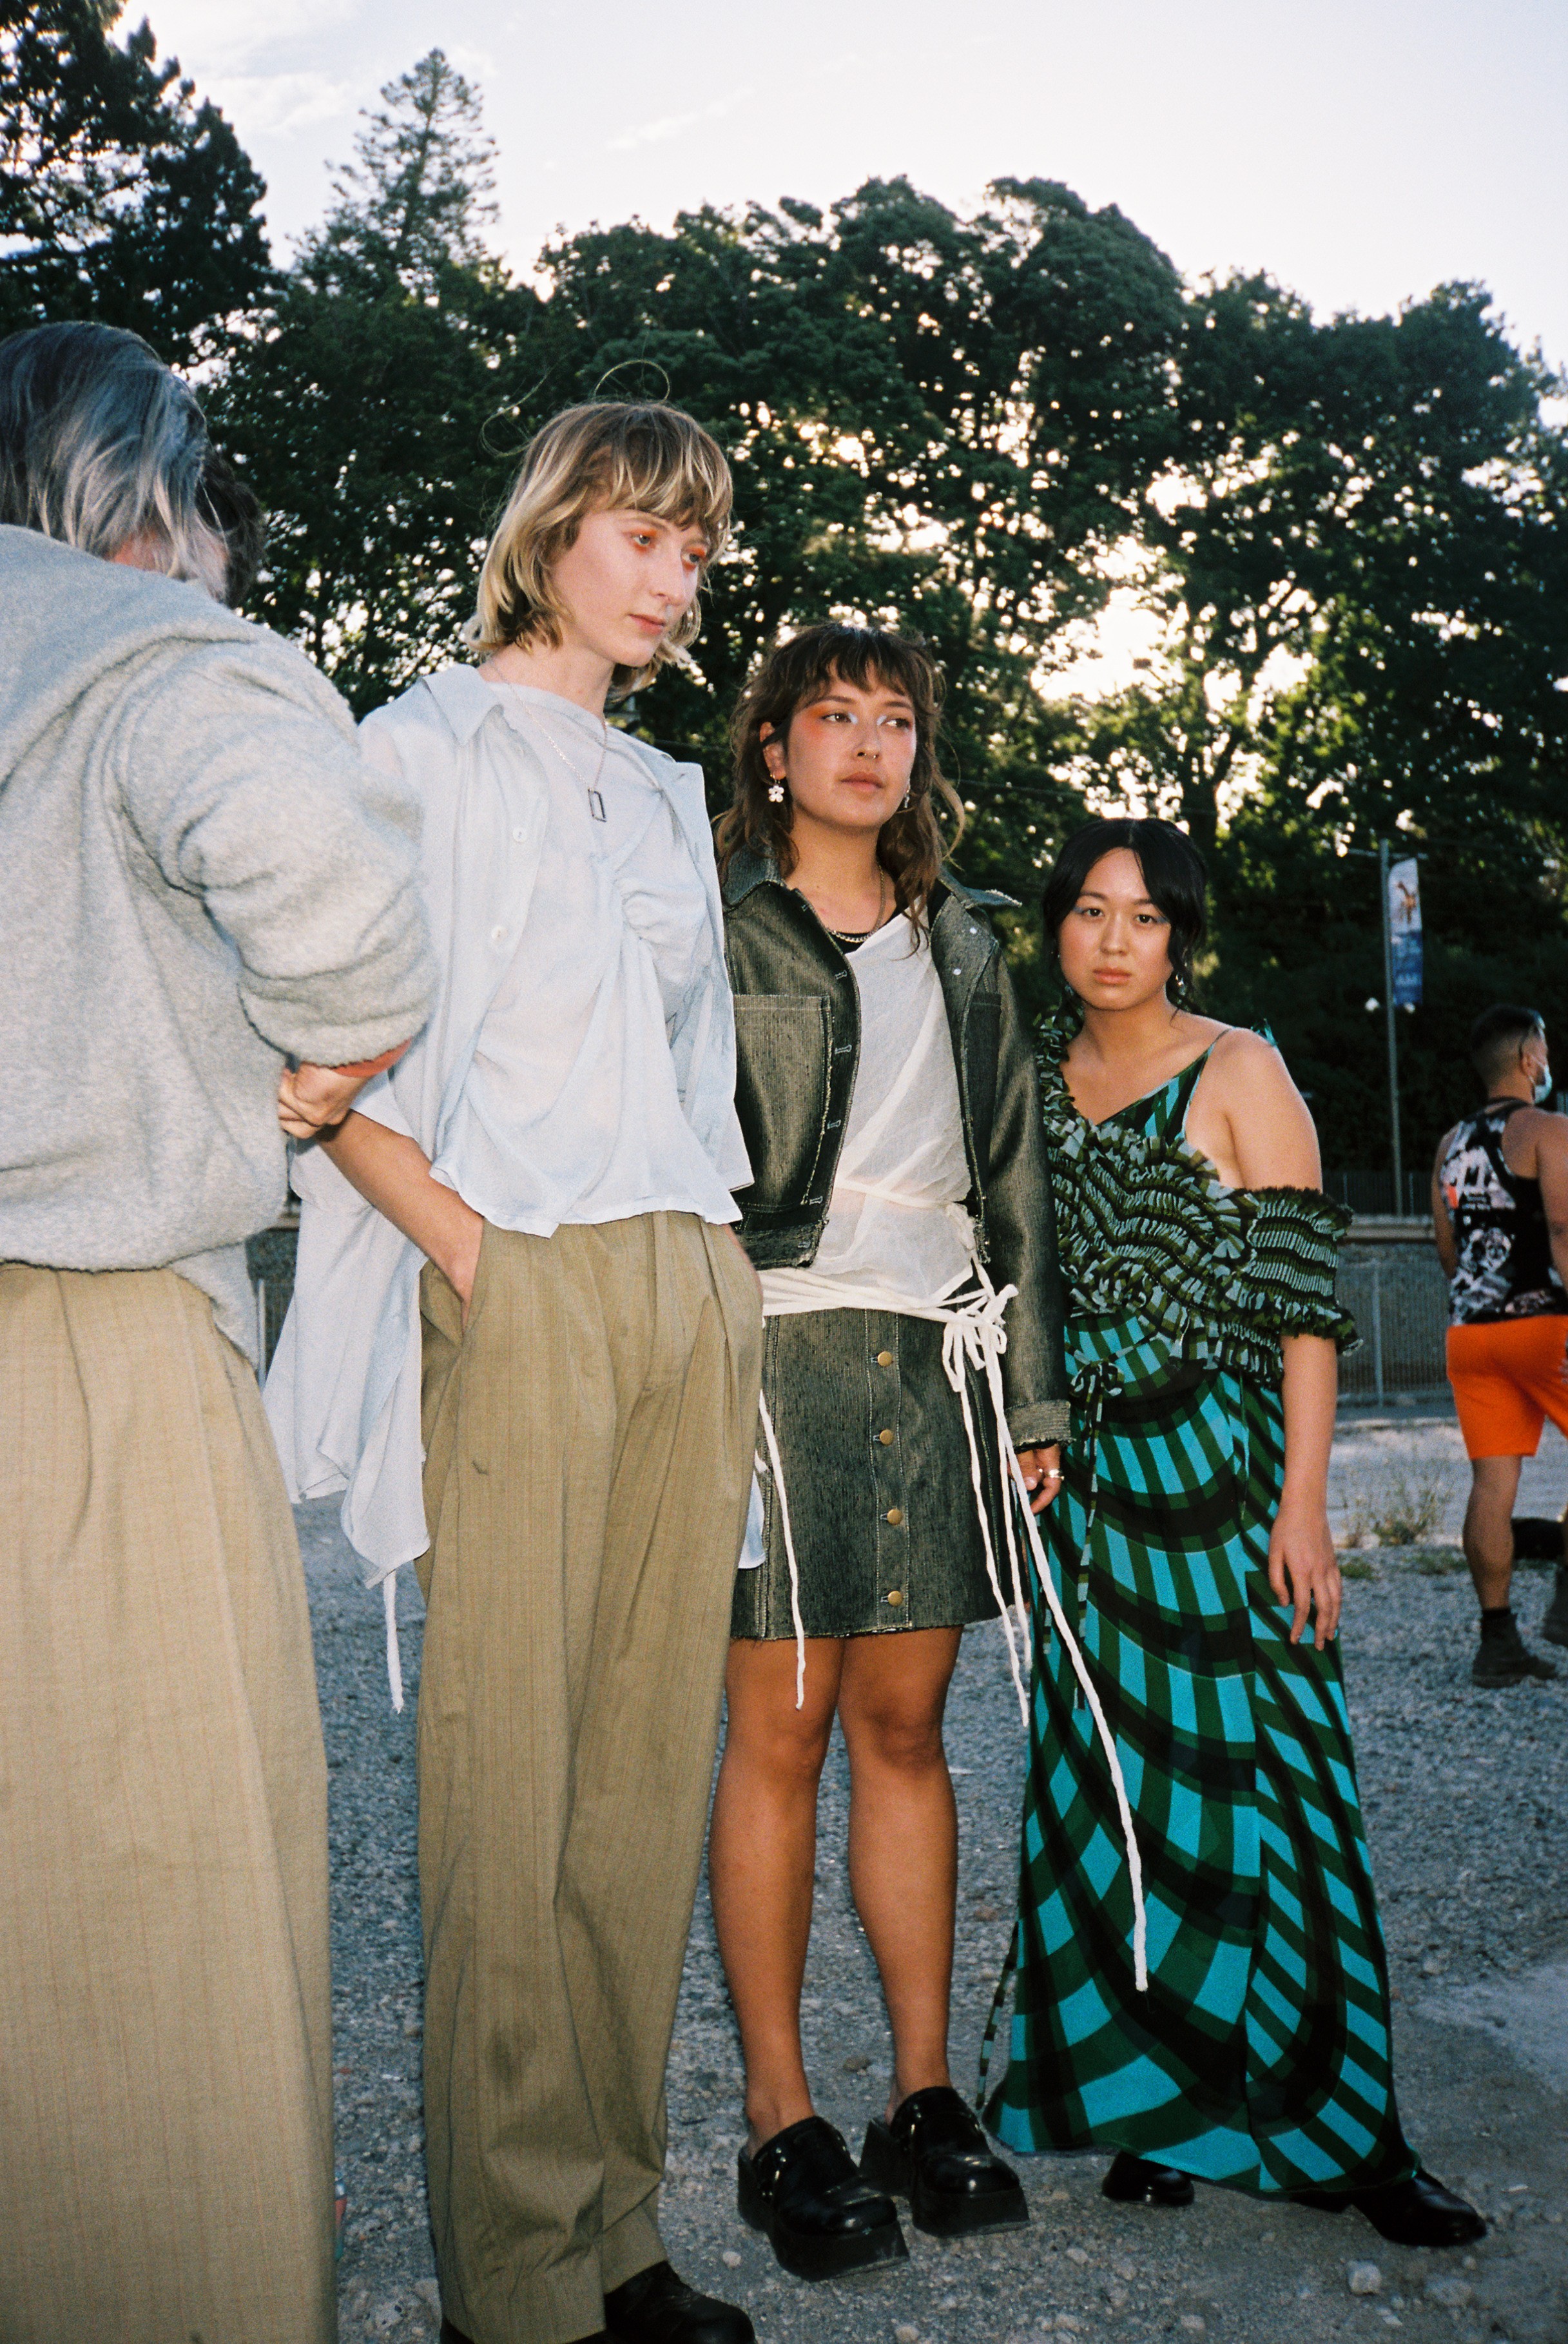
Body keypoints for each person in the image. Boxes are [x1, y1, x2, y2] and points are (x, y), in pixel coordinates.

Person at [266, 402, 763, 2344]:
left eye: (698, 553)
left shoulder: (653, 791)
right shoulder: (415, 747)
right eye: (643, 534)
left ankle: (617, 2229)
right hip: (520, 1275)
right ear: (552, 529)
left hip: (681, 1273)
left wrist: (714, 1258)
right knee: (508, 1792)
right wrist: (462, 1242)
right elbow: (303, 1045)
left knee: (643, 1785)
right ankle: (514, 2280)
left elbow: (687, 1062)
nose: (671, 578)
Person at [0, 320, 436, 2343]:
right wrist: (320, 1055)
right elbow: (343, 907)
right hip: (87, 1358)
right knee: (156, 1938)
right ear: (141, 488)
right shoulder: (148, 648)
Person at [985, 817, 1486, 2252]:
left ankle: (1349, 2134)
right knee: (1111, 1788)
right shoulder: (1030, 1076)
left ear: (1179, 934)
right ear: (1056, 927)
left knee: (1274, 1783)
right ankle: (1151, 2104)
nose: (1111, 941)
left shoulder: (1240, 1065)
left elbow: (1303, 1309)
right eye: (1085, 913)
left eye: (1140, 918)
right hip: (1088, 1490)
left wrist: (1304, 1506)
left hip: (1228, 1468)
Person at [705, 624, 1070, 2280]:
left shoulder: (969, 944)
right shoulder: (708, 926)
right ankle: (782, 2116)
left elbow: (1016, 1184)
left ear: (920, 751)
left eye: (895, 719)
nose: (866, 743)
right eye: (832, 716)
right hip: (768, 1348)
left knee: (905, 1723)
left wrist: (1035, 1398)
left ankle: (924, 2095)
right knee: (777, 1731)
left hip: (939, 1354)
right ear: (772, 746)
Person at [1433, 1005, 1568, 1683]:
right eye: (1543, 1051)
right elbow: (1566, 1230)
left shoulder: (1450, 1144)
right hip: (1545, 1326)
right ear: (1527, 1059)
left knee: (1492, 1482)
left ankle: (1497, 1641)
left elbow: (1447, 1248)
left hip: (1471, 1333)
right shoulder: (1547, 1129)